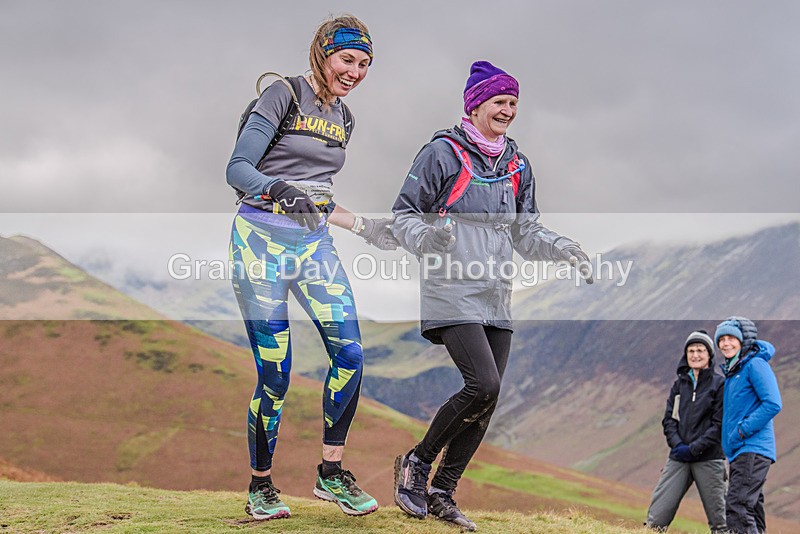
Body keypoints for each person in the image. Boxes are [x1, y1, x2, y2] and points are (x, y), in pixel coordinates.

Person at [390, 60, 593, 531]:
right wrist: (429, 238)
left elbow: (526, 232)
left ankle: (443, 492)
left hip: (496, 292)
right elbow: (404, 216)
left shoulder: (518, 165)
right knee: (484, 384)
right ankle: (417, 464)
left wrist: (564, 249)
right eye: (500, 101)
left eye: (514, 103)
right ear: (476, 105)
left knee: (488, 399)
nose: (508, 110)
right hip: (449, 287)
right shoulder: (441, 153)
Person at [225, 14, 397, 520]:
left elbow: (319, 195)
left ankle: (331, 473)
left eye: (364, 64)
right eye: (347, 59)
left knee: (351, 354)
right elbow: (238, 168)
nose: (355, 72)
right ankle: (261, 486)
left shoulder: (344, 118)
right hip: (260, 243)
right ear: (323, 54)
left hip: (313, 246)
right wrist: (278, 188)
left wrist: (365, 227)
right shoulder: (283, 94)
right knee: (275, 374)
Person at [645, 330, 727, 533]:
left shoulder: (720, 385)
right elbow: (669, 420)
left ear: (709, 354)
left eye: (700, 350)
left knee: (720, 521)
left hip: (709, 458)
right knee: (657, 517)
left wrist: (694, 448)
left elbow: (719, 425)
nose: (695, 355)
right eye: (691, 351)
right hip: (679, 457)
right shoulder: (679, 385)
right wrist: (679, 446)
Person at [715, 317, 782, 534]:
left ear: (743, 340)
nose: (726, 343)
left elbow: (773, 403)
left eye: (731, 338)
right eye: (721, 339)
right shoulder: (734, 371)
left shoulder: (755, 364)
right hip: (741, 451)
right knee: (751, 509)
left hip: (752, 447)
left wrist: (742, 430)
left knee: (738, 507)